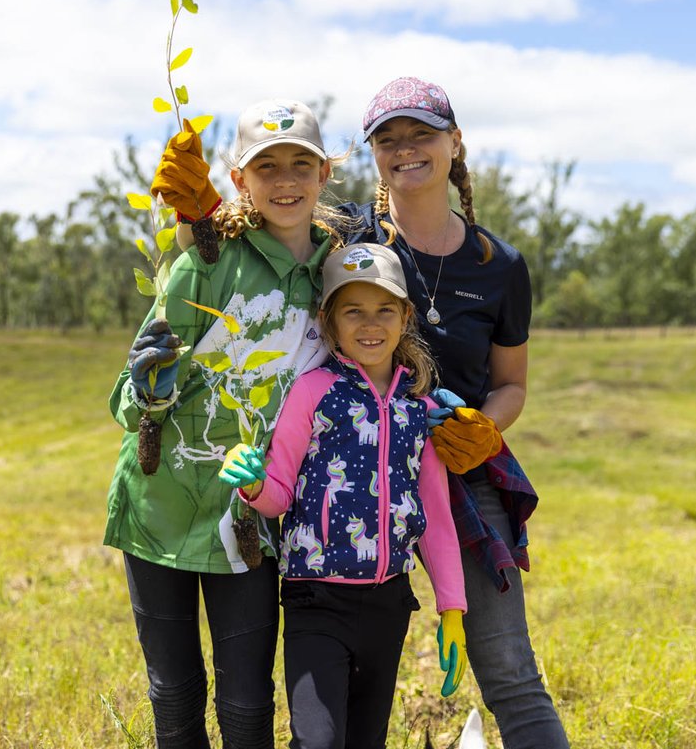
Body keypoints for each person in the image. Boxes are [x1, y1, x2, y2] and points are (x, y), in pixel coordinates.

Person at [104, 98, 346, 748]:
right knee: (174, 692)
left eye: (302, 164)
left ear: (326, 174)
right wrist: (150, 390)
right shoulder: (205, 266)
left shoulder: (336, 278)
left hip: (249, 521)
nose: (286, 180)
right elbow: (127, 404)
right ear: (239, 179)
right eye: (268, 167)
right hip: (160, 508)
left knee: (246, 702)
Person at [355, 76, 570, 748]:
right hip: (361, 475)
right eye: (388, 139)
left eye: (421, 133)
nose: (405, 149)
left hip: (464, 477)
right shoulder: (351, 246)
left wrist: (484, 427)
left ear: (454, 144)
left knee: (510, 672)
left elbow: (511, 384)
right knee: (355, 677)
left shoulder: (500, 265)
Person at [218, 242, 467, 749]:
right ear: (329, 320)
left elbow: (435, 520)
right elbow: (280, 493)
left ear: (404, 318)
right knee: (318, 741)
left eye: (384, 311)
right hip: (316, 599)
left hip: (389, 603)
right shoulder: (313, 391)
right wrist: (252, 483)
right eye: (353, 311)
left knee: (365, 741)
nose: (369, 324)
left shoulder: (419, 411)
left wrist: (453, 608)